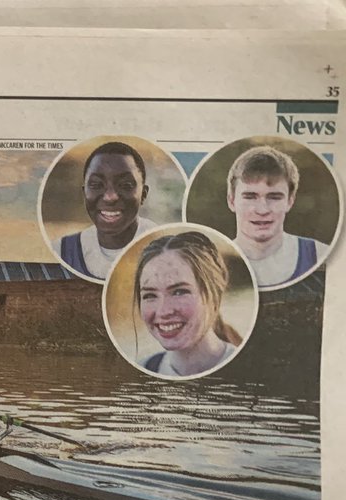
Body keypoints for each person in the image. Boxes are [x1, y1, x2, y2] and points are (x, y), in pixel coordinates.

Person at [134, 231, 243, 377]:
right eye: (150, 295)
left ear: (214, 295)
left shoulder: (250, 370)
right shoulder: (140, 371)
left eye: (179, 292)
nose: (163, 311)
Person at [52, 141, 157, 280]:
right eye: (96, 185)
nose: (110, 197)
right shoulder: (62, 250)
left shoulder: (168, 246)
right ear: (85, 194)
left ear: (143, 194)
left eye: (125, 185)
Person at [226, 145, 329, 287]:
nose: (262, 210)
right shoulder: (210, 263)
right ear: (231, 201)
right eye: (250, 197)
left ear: (290, 201)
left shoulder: (320, 255)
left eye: (274, 197)